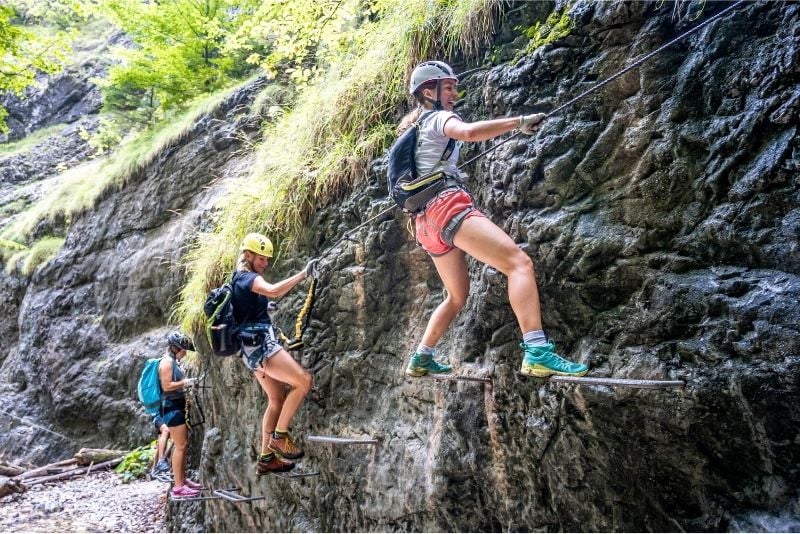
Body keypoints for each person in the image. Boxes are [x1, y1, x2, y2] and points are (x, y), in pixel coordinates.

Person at [398, 60, 589, 379]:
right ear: (428, 92)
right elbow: (469, 132)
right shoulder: (438, 118)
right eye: (449, 87)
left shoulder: (415, 131)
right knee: (519, 264)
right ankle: (538, 351)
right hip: (448, 207)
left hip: (425, 223)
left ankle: (421, 356)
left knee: (456, 296)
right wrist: (520, 121)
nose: (454, 94)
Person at [231, 232, 315, 475]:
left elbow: (249, 304)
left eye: (267, 259)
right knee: (303, 381)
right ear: (248, 255)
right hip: (261, 346)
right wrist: (303, 274)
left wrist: (264, 306)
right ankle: (279, 437)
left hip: (250, 349)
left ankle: (267, 458)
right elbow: (274, 290)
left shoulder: (239, 279)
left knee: (277, 399)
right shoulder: (249, 278)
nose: (265, 264)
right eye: (261, 259)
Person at [159, 331, 201, 498]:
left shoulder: (173, 361)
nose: (185, 353)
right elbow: (167, 386)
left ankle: (182, 480)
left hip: (176, 406)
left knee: (182, 445)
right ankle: (178, 487)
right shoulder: (167, 363)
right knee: (181, 446)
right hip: (171, 409)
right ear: (175, 348)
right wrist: (186, 382)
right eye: (184, 350)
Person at [149, 414, 171, 481]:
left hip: (167, 415)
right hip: (158, 416)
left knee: (160, 445)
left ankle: (154, 469)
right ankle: (161, 461)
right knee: (166, 430)